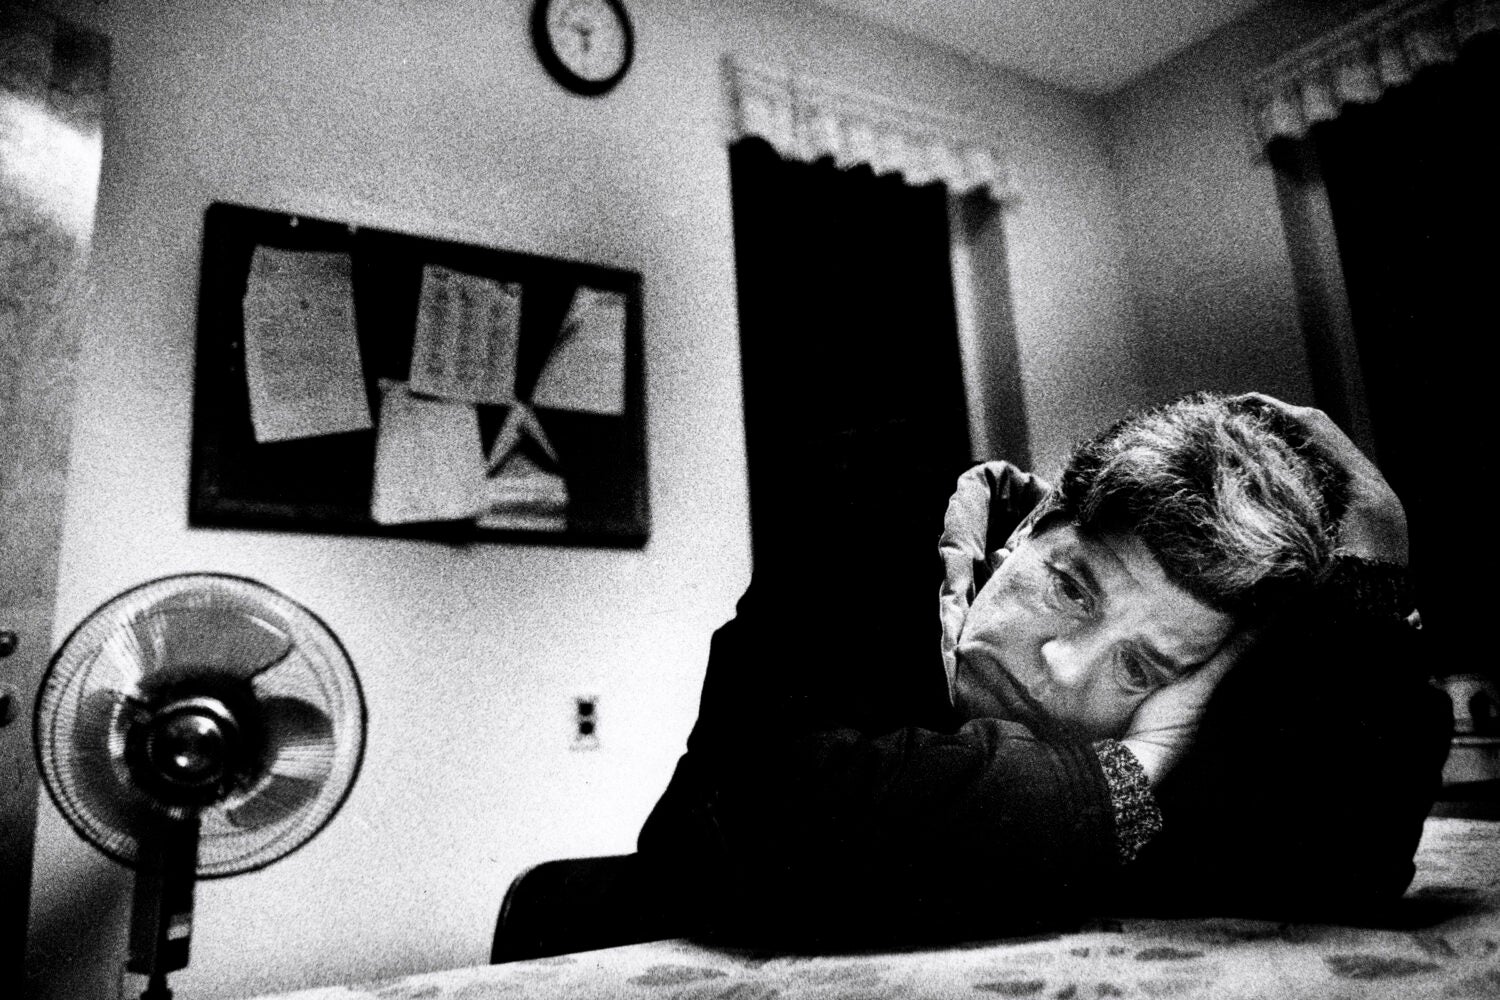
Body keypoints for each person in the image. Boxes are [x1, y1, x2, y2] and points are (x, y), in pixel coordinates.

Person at [638, 391, 1452, 948]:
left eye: (1141, 667)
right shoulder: (859, 548)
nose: (1065, 670)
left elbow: (1342, 870)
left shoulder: (1202, 695)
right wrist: (1130, 777)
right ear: (1029, 527)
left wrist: (1375, 590)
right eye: (1069, 587)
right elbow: (724, 833)